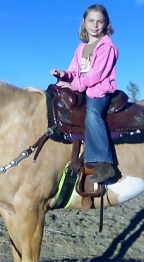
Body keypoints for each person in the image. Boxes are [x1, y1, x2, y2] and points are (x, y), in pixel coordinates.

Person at [50, 4, 117, 183]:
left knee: (93, 113)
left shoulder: (106, 46)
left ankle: (103, 162)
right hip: (83, 88)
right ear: (84, 23)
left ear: (106, 24)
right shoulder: (81, 48)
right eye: (91, 21)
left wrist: (76, 86)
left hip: (99, 91)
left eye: (99, 21)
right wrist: (64, 75)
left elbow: (96, 74)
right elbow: (73, 70)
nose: (95, 25)